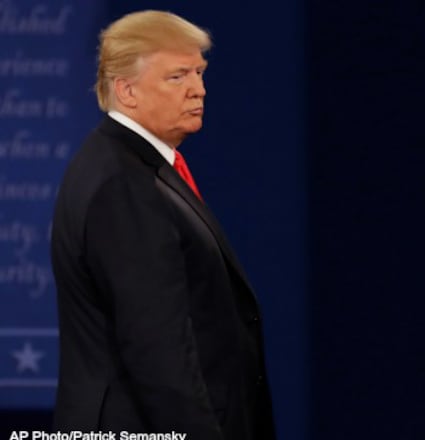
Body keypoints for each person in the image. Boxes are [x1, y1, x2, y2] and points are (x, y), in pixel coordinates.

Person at [50, 10, 275, 439]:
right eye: (177, 77)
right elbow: (157, 348)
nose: (199, 90)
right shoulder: (122, 184)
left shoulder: (133, 167)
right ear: (127, 90)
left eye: (199, 72)